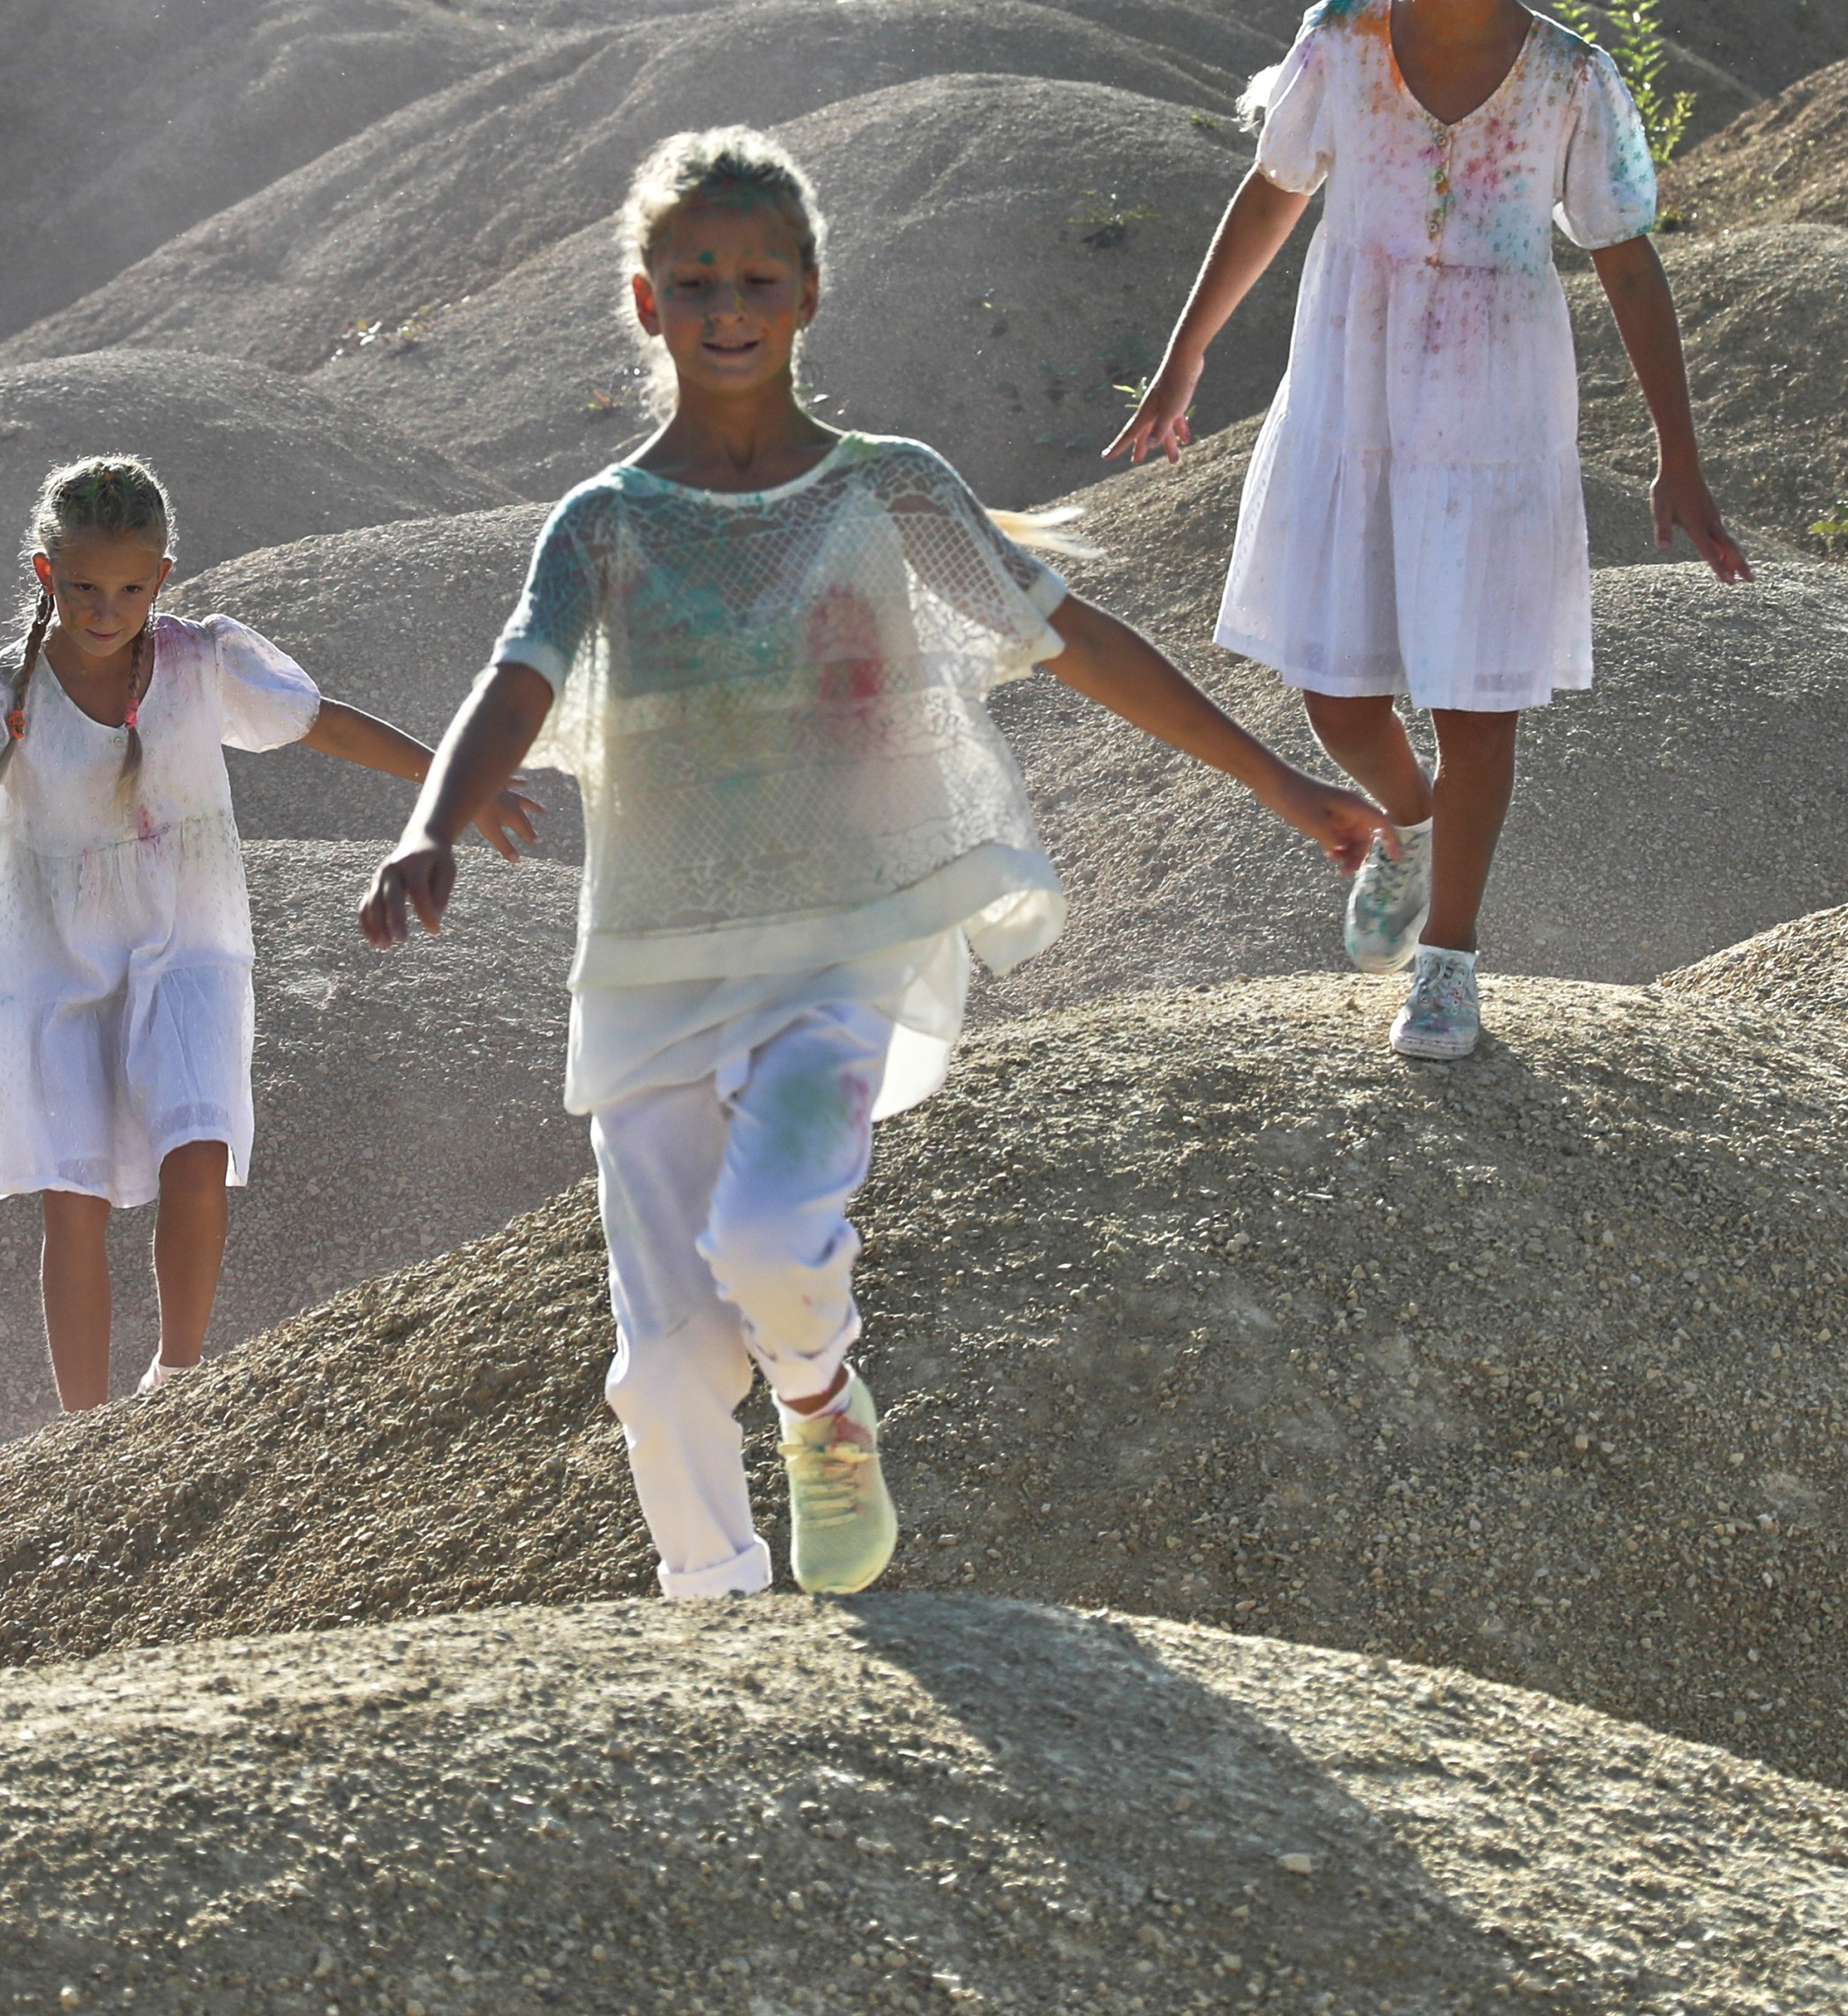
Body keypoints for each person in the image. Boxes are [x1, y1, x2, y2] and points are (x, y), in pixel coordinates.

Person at [359, 127, 1391, 1605]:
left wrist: (1283, 781)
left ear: (810, 294)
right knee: (659, 1374)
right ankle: (715, 1618)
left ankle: (824, 1408)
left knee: (776, 1242)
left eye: (757, 275)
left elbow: (1076, 637)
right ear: (645, 302)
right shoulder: (602, 525)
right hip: (652, 962)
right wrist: (429, 826)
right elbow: (516, 681)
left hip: (838, 945)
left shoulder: (884, 491)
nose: (728, 300)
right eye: (695, 276)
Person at [1109, 0, 1750, 1062]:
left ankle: (1447, 963)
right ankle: (1405, 829)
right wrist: (1180, 364)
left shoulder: (1570, 78)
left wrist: (1679, 456)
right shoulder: (1339, 42)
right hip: (1353, 392)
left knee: (1474, 703)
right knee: (1336, 696)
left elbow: (1624, 256)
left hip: (1496, 410)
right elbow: (1270, 193)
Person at [0, 453, 538, 1414]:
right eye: (81, 587)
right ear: (45, 576)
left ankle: (179, 1386)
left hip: (189, 952)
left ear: (161, 578)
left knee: (197, 1154)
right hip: (56, 974)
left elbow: (327, 727)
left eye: (127, 587)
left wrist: (460, 787)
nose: (105, 608)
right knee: (72, 1206)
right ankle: (83, 1433)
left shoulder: (203, 662)